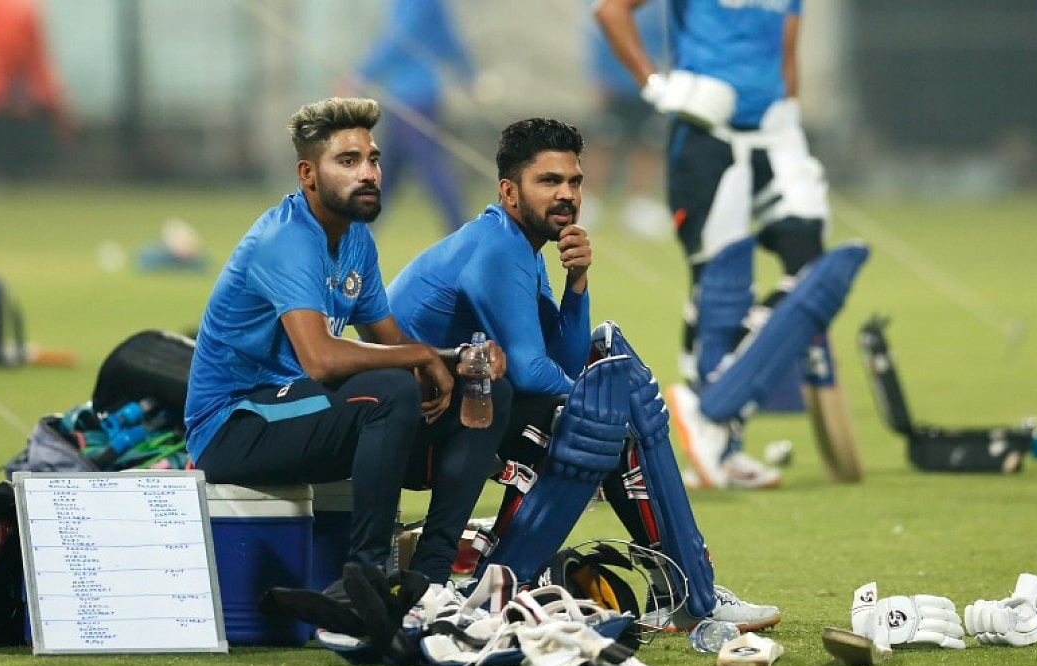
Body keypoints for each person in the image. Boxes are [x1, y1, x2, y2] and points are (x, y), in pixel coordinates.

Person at [387, 118, 780, 632]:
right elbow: (530, 372)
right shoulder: (498, 248)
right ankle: (502, 588)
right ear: (509, 191)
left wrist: (577, 283)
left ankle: (684, 588)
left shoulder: (520, 247)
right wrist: (599, 411)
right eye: (548, 181)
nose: (566, 195)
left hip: (460, 415)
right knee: (594, 421)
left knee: (606, 364)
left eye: (574, 181)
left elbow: (565, 361)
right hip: (412, 432)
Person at [184, 97, 512, 587]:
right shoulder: (286, 240)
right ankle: (364, 577)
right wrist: (420, 357)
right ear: (307, 174)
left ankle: (432, 573)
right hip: (234, 425)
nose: (369, 173)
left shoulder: (356, 239)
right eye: (348, 161)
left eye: (374, 160)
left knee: (486, 389)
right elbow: (321, 359)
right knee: (389, 392)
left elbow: (390, 341)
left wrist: (456, 358)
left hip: (300, 410)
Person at [594, 0, 846, 489]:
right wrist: (656, 84)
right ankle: (722, 443)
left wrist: (789, 113)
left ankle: (710, 410)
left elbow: (785, 50)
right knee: (719, 286)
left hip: (774, 133)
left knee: (814, 276)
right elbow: (611, 11)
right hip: (707, 134)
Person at [346, 0, 476, 234]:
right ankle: (352, 236)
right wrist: (468, 74)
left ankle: (465, 236)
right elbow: (448, 38)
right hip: (411, 97)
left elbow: (399, 39)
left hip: (414, 97)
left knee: (430, 169)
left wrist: (360, 74)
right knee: (387, 173)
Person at [0, 0, 76, 179]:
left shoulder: (3, 8)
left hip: (10, 99)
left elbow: (19, 54)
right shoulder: (9, 9)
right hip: (11, 100)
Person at [580, 0, 669, 238]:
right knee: (604, 140)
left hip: (651, 80)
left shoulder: (660, 7)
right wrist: (599, 76)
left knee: (649, 142)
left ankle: (638, 203)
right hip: (615, 82)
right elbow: (597, 35)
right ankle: (587, 199)